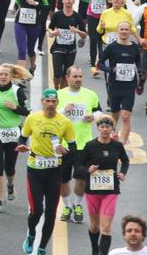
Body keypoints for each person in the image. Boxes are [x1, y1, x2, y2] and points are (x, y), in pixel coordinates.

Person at [17, 88, 77, 255]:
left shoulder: (65, 122)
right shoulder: (32, 118)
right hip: (35, 170)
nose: (50, 104)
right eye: (47, 101)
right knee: (36, 210)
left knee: (51, 213)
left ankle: (42, 246)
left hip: (54, 171)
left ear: (57, 103)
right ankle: (31, 234)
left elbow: (73, 148)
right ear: (42, 102)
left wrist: (64, 150)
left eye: (53, 101)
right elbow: (23, 136)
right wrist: (21, 144)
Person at [77, 115, 129, 255]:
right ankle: (95, 248)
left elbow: (125, 161)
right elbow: (79, 166)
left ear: (112, 128)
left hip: (111, 190)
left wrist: (123, 173)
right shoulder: (90, 145)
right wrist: (88, 170)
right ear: (98, 128)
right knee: (94, 226)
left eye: (108, 127)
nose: (105, 129)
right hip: (92, 191)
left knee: (105, 227)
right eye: (102, 127)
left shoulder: (117, 146)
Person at [57, 65, 102, 223]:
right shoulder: (59, 95)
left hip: (84, 143)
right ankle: (67, 206)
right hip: (64, 144)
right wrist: (63, 110)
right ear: (67, 78)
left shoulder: (90, 95)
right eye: (75, 77)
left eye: (80, 77)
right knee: (63, 179)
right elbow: (49, 115)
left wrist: (93, 116)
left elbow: (99, 112)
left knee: (81, 177)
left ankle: (77, 205)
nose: (78, 80)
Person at [0, 63, 31, 213]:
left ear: (11, 76)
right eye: (1, 74)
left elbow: (28, 112)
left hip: (12, 131)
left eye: (6, 74)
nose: (3, 77)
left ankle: (10, 185)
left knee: (9, 165)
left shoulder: (18, 91)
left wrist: (15, 108)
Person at [98, 20, 142, 145]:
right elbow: (100, 64)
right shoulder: (111, 47)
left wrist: (140, 75)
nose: (124, 32)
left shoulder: (134, 47)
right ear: (118, 31)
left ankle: (121, 145)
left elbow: (138, 63)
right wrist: (111, 70)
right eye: (121, 29)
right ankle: (110, 141)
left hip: (129, 86)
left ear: (130, 32)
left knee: (126, 116)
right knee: (114, 116)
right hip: (114, 86)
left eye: (126, 29)